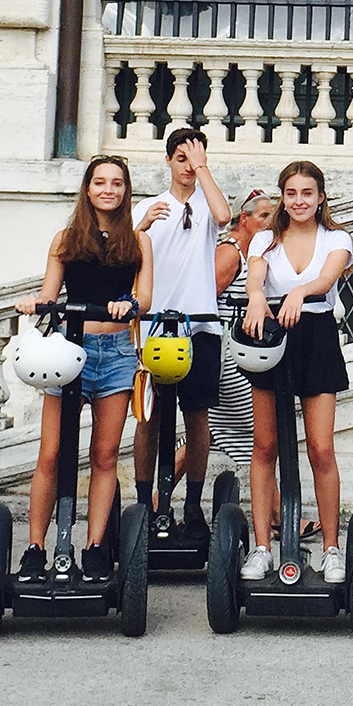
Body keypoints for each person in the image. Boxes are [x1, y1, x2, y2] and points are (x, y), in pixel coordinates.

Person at [12, 155, 154, 577]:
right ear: (87, 189)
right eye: (100, 182)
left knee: (105, 454)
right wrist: (32, 304)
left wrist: (126, 304)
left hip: (115, 354)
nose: (108, 189)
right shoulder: (65, 238)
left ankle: (94, 546)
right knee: (52, 454)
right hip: (67, 351)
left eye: (116, 183)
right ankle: (36, 547)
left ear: (126, 190)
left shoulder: (138, 240)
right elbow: (48, 293)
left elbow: (144, 298)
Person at [238, 161, 353, 583]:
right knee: (265, 445)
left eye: (307, 193)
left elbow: (326, 278)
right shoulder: (266, 240)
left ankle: (331, 547)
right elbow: (255, 280)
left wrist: (298, 292)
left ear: (320, 197)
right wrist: (256, 298)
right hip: (271, 339)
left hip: (317, 336)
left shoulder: (336, 238)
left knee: (321, 448)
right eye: (291, 193)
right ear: (283, 197)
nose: (299, 201)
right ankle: (263, 547)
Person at [133, 128, 232, 525]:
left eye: (194, 160)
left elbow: (224, 216)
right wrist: (140, 224)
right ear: (168, 161)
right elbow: (126, 253)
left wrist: (203, 167)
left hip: (199, 325)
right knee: (149, 417)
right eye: (181, 159)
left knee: (196, 415)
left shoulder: (209, 204)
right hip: (153, 326)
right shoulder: (150, 205)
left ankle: (192, 502)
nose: (188, 168)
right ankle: (145, 502)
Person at [209, 190, 274, 470]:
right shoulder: (230, 253)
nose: (270, 222)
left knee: (213, 431)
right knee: (258, 433)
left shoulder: (253, 254)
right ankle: (280, 511)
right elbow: (205, 297)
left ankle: (153, 502)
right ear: (244, 219)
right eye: (263, 216)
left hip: (241, 353)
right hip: (229, 356)